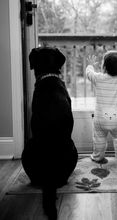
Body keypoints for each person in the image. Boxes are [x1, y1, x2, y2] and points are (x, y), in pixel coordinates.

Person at [22, 47, 78, 220]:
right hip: (62, 172)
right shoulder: (60, 90)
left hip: (37, 172)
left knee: (35, 142)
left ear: (34, 65)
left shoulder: (39, 91)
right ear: (58, 65)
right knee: (65, 142)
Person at [86, 50, 117, 163]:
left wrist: (90, 65)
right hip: (116, 119)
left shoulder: (98, 78)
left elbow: (89, 74)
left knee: (99, 139)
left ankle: (98, 157)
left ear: (104, 66)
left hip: (100, 119)